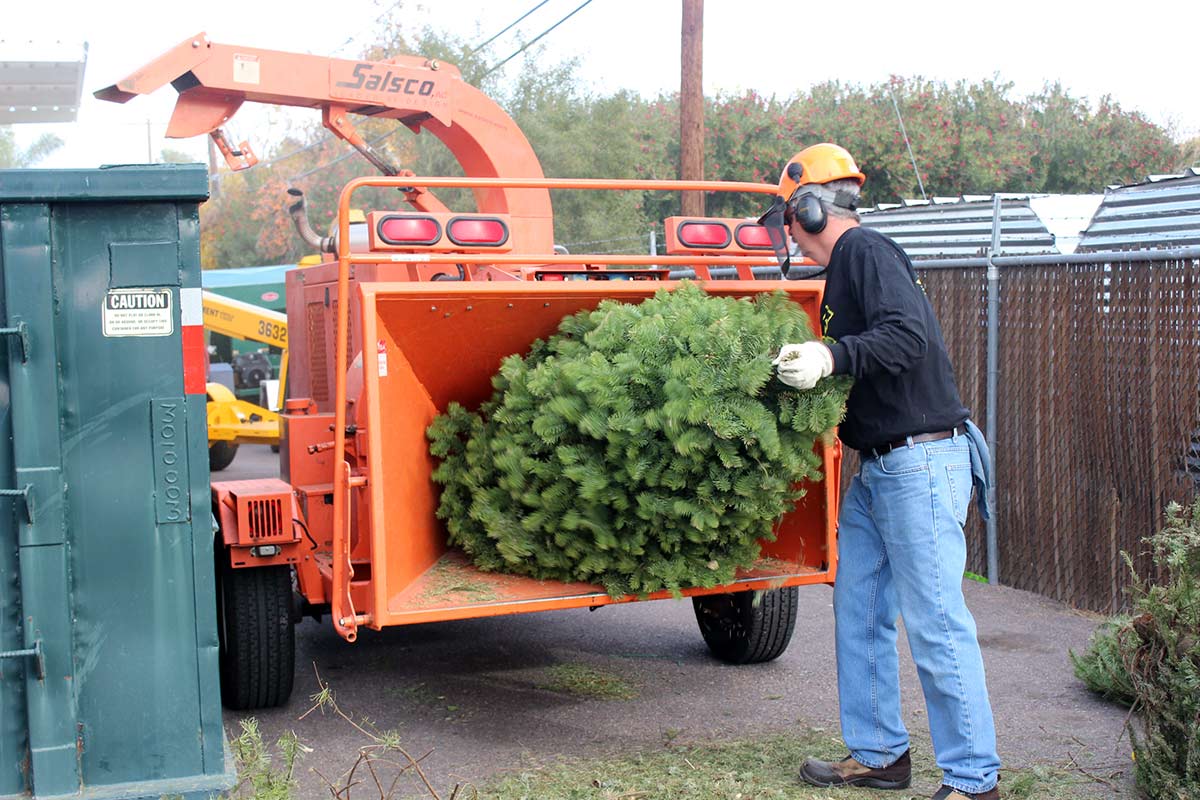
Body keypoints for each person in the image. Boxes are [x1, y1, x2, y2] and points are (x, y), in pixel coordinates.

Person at [759, 143, 1001, 800]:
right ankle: (879, 755)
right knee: (860, 610)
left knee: (936, 623)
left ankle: (976, 781)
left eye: (786, 217)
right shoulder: (842, 270)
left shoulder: (867, 253)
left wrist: (831, 357)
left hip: (919, 463)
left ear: (809, 208)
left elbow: (906, 338)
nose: (786, 233)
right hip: (880, 471)